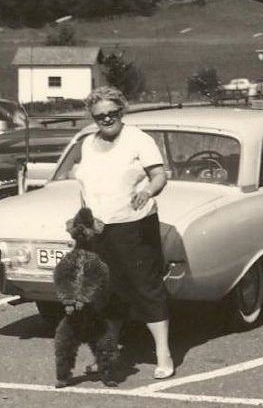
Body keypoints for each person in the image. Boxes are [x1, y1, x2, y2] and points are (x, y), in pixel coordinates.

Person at [71, 86, 173, 380]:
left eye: (112, 113)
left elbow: (159, 175)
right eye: (99, 116)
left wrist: (147, 191)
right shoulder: (87, 144)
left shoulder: (138, 139)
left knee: (145, 287)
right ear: (93, 118)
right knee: (104, 292)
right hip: (97, 229)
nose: (106, 119)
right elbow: (85, 186)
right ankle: (107, 351)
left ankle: (163, 354)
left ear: (122, 111)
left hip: (134, 224)